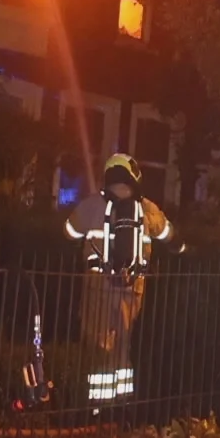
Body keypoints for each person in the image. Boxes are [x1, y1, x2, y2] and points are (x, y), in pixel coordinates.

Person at [66, 154, 174, 403]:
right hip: (133, 286)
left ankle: (95, 403)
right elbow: (168, 233)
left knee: (97, 343)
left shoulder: (92, 204)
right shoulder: (147, 208)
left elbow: (69, 231)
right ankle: (122, 401)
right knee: (125, 343)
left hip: (98, 285)